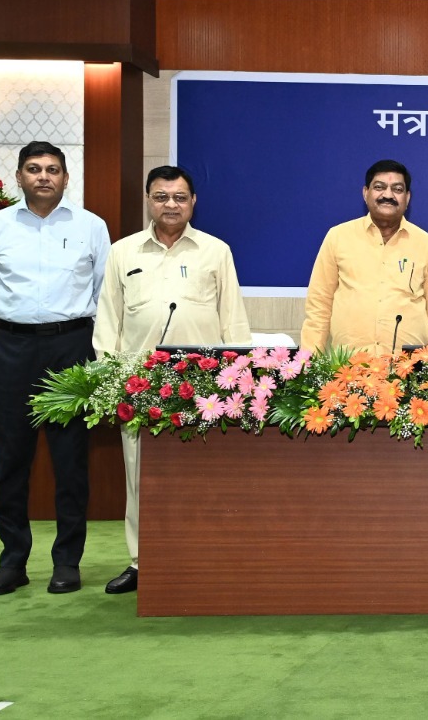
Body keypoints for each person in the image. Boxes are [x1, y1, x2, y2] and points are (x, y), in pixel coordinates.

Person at [92, 165, 252, 595]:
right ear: (148, 200)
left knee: (205, 477)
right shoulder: (123, 252)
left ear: (193, 202)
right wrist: (111, 381)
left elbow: (233, 320)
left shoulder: (215, 251)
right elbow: (107, 322)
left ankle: (207, 557)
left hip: (204, 387)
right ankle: (141, 563)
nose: (171, 205)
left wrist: (238, 380)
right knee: (140, 478)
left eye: (180, 197)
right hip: (139, 385)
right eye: (161, 196)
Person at [0, 141, 111, 596]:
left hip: (71, 348)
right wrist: (19, 328)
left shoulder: (91, 226)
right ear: (19, 177)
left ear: (66, 178)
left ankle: (67, 562)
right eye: (34, 169)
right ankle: (13, 562)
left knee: (70, 461)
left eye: (53, 169)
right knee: (11, 460)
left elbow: (104, 293)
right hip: (11, 349)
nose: (44, 176)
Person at [301, 160, 428, 352]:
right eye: (379, 187)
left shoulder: (427, 245)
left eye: (397, 189)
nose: (388, 195)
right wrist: (309, 362)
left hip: (406, 366)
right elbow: (319, 306)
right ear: (365, 193)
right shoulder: (338, 237)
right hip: (347, 366)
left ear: (407, 198)